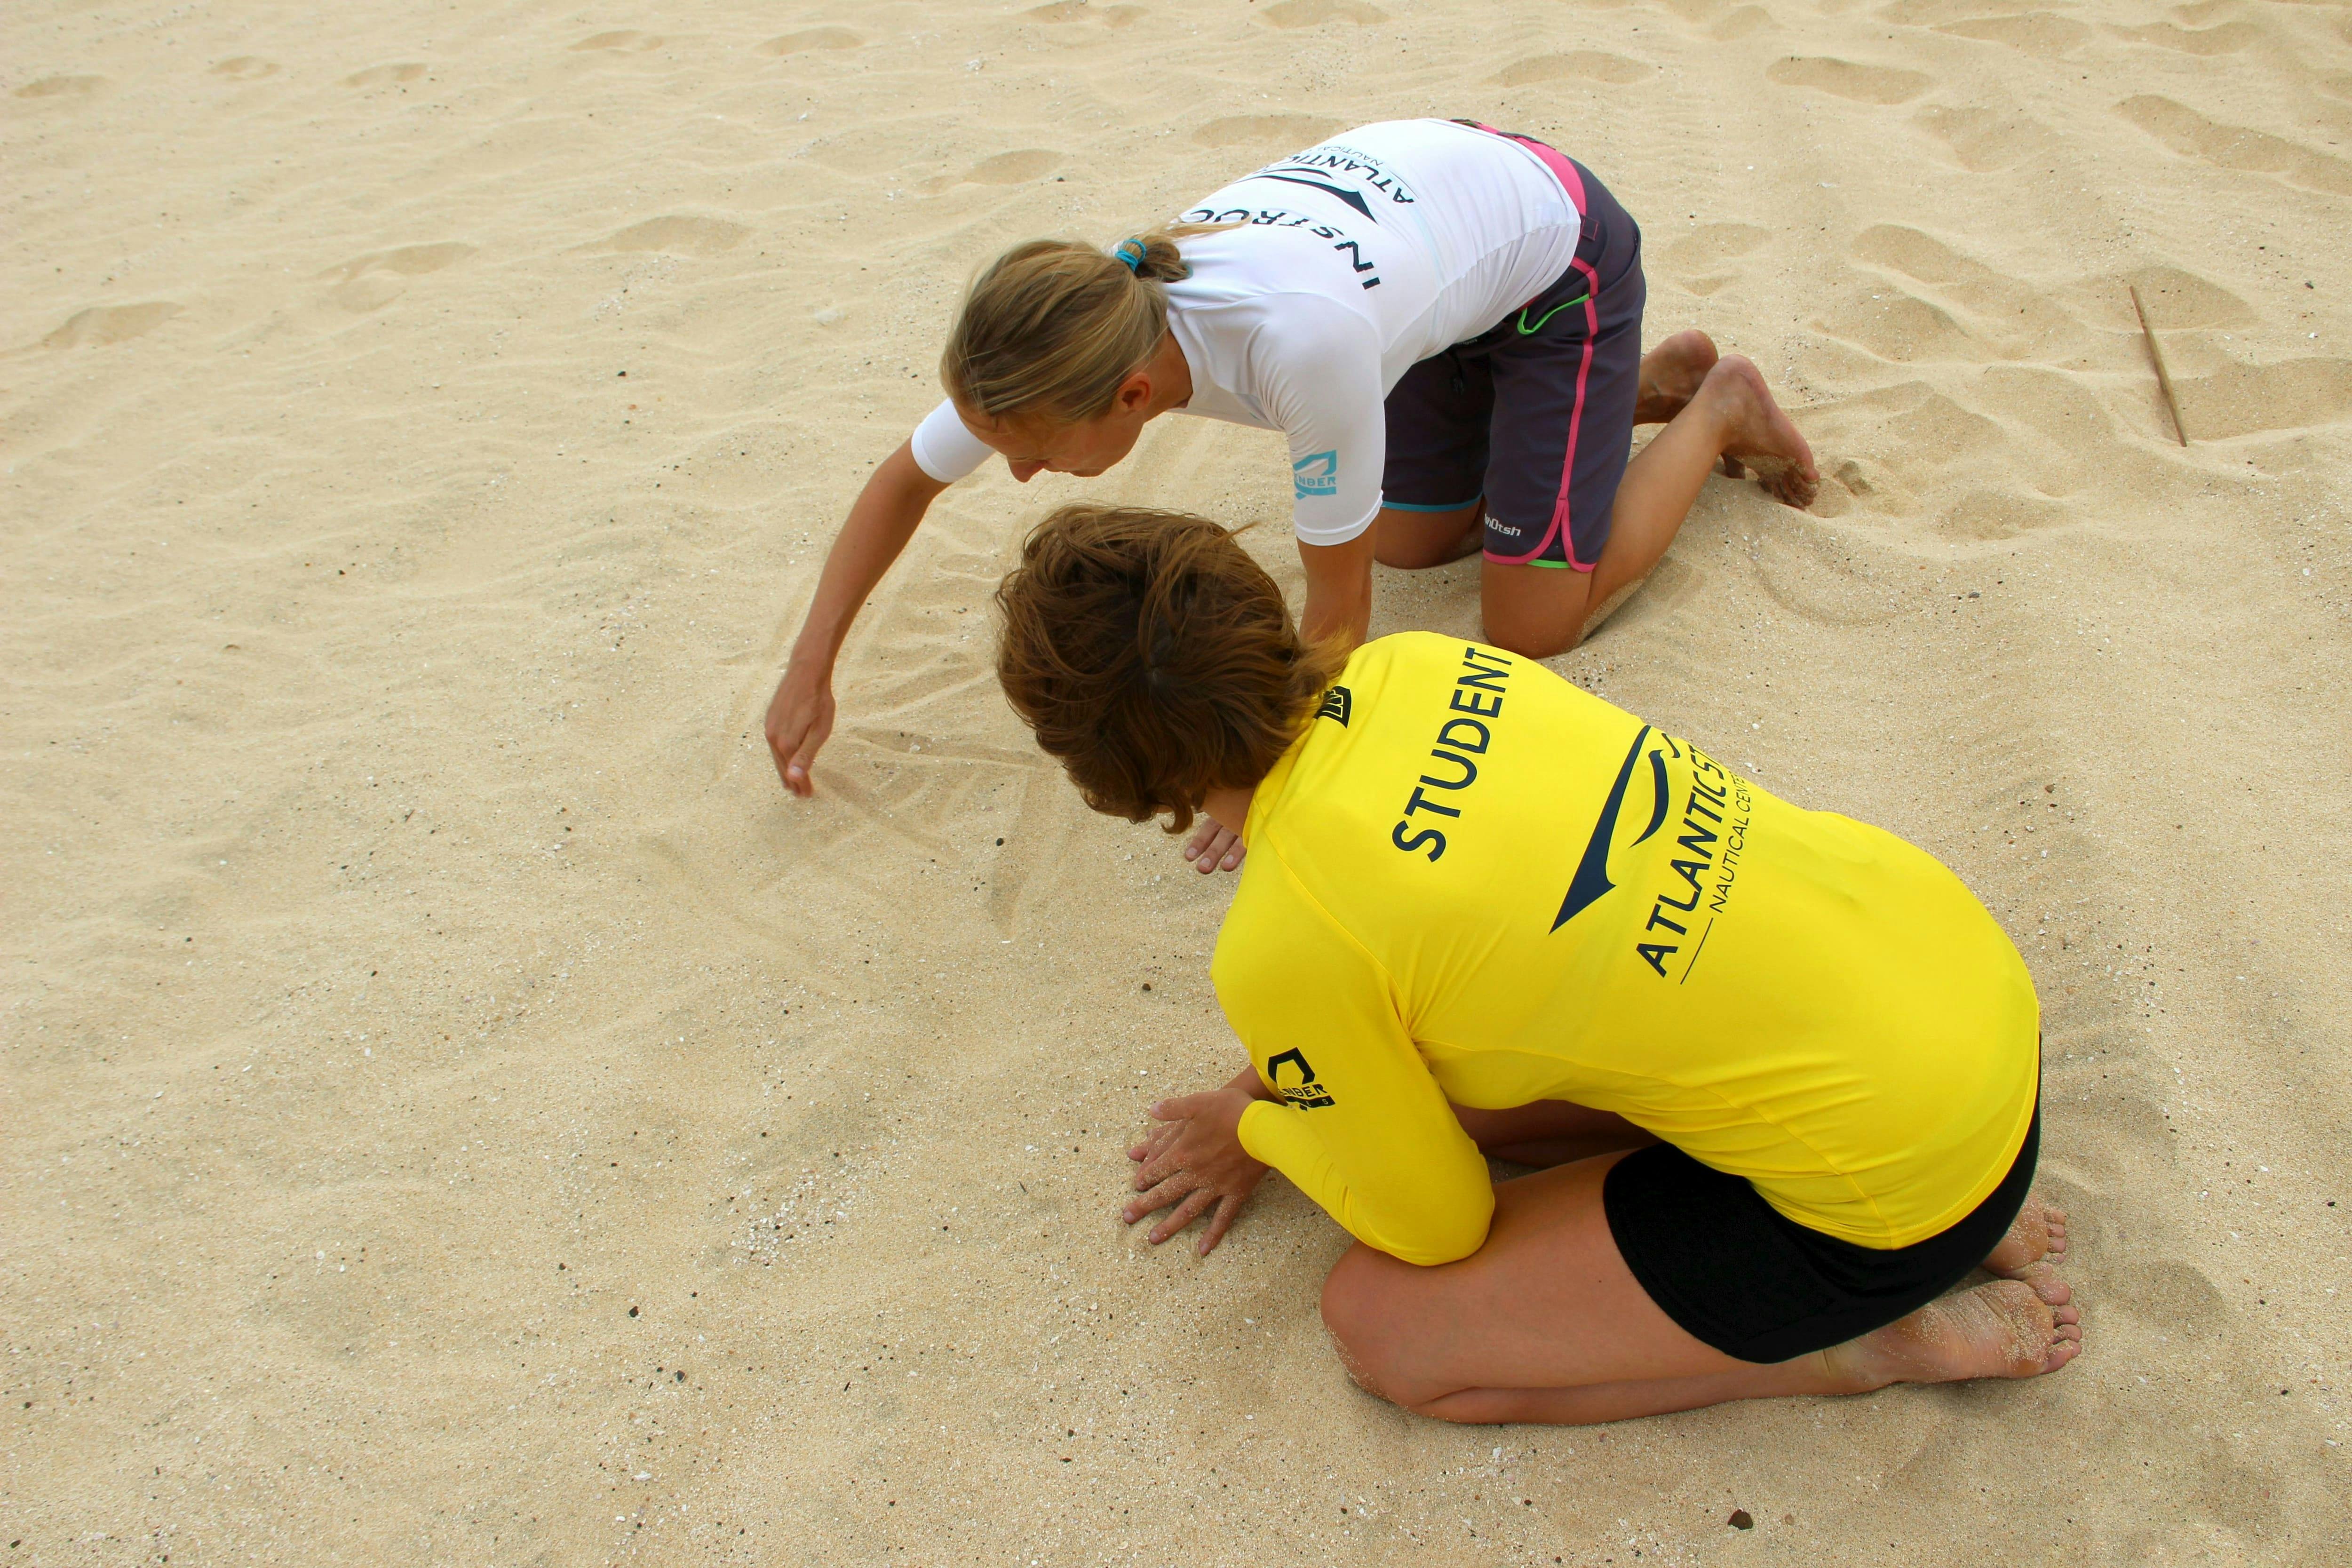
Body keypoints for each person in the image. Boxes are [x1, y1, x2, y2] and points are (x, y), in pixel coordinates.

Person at [992, 503, 2081, 1426]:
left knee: (1384, 1331)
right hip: (1963, 986)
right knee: (1515, 1023)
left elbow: (1433, 1225)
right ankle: (1961, 1214)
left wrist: (1259, 1124)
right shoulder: (1423, 665)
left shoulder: (1283, 935)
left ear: (1103, 772)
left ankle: (1863, 1345)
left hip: (1896, 1185)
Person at [765, 118, 1820, 874]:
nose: (1021, 472)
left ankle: (1716, 404)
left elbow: (1337, 618)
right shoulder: (1080, 336)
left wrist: (1258, 776)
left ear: (1133, 395)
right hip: (1430, 263)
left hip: (1557, 257)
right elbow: (904, 477)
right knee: (1409, 542)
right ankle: (1646, 384)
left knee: (1530, 620)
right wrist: (810, 666)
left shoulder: (1298, 354)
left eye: (1034, 455)